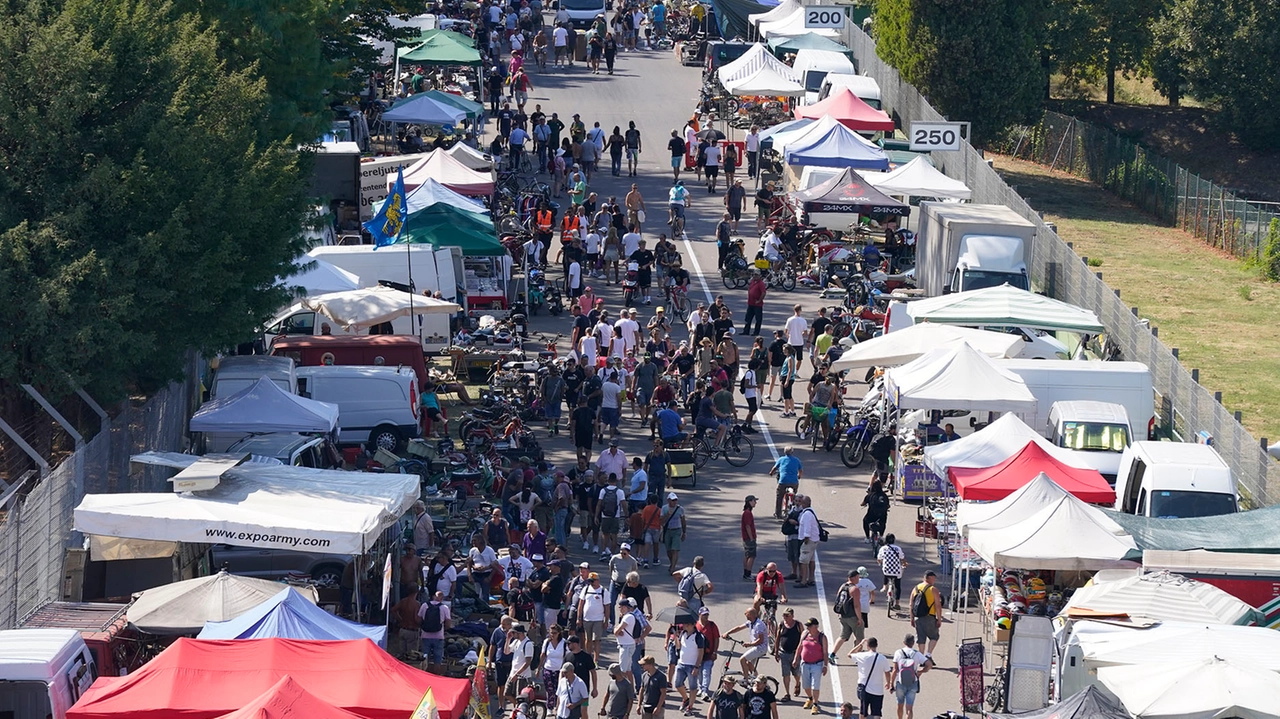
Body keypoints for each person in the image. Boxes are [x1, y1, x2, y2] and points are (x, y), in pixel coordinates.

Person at [888, 635, 932, 719]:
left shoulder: (898, 652)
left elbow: (894, 670)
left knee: (900, 705)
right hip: (913, 682)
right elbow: (929, 664)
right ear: (913, 643)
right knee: (909, 708)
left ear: (904, 642)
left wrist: (891, 684)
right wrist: (920, 672)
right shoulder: (917, 654)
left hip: (900, 682)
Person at [849, 638, 891, 719]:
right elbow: (887, 672)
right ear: (877, 645)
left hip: (865, 688)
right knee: (877, 713)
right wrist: (888, 683)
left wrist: (860, 644)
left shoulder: (862, 656)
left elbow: (849, 654)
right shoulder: (882, 658)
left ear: (867, 646)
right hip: (878, 691)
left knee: (863, 711)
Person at [831, 569, 867, 662]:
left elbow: (838, 600)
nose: (859, 579)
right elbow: (856, 605)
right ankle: (857, 658)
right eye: (858, 577)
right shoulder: (855, 589)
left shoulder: (843, 586)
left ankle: (832, 654)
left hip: (843, 616)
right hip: (853, 616)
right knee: (859, 638)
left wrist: (840, 612)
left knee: (843, 636)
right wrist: (860, 618)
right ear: (854, 577)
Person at [725, 607, 769, 677]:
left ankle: (746, 680)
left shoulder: (758, 625)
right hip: (756, 646)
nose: (745, 614)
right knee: (748, 663)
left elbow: (760, 640)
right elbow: (739, 627)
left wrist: (749, 644)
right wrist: (728, 633)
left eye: (746, 613)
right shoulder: (750, 622)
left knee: (742, 659)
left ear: (751, 614)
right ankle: (757, 679)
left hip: (761, 648)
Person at [674, 620, 706, 714]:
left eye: (684, 623)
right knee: (677, 684)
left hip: (692, 665)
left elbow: (701, 653)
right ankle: (686, 699)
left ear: (690, 625)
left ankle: (690, 706)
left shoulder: (698, 636)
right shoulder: (683, 633)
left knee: (692, 687)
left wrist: (696, 667)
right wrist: (676, 638)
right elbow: (679, 647)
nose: (682, 625)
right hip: (681, 663)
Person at [908, 572, 942, 659]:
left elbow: (911, 604)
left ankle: (921, 658)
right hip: (929, 616)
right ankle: (928, 655)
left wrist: (911, 617)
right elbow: (938, 605)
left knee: (921, 638)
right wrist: (939, 619)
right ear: (929, 578)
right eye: (933, 578)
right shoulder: (933, 589)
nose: (934, 580)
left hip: (917, 617)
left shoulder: (916, 588)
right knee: (934, 636)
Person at [576, 573, 608, 662]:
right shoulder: (586, 589)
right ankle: (588, 658)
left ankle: (596, 660)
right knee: (588, 639)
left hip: (598, 619)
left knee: (596, 640)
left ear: (598, 581)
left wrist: (606, 620)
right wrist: (579, 618)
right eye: (590, 581)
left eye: (592, 581)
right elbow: (581, 604)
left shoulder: (603, 591)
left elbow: (607, 607)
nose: (591, 583)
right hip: (587, 619)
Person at [418, 590, 452, 669]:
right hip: (439, 636)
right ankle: (436, 676)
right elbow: (448, 624)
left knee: (424, 658)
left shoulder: (424, 605)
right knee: (438, 659)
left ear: (433, 597)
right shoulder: (444, 607)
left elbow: (418, 619)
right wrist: (444, 629)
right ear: (442, 598)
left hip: (425, 635)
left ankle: (424, 676)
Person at [773, 608, 802, 702]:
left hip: (795, 653)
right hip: (784, 653)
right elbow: (777, 638)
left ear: (792, 616)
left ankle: (797, 683)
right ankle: (787, 694)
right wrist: (776, 652)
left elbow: (803, 638)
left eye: (787, 616)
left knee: (796, 673)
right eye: (784, 615)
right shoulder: (781, 625)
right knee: (786, 675)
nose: (785, 617)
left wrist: (801, 653)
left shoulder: (798, 625)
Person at [796, 496, 821, 588]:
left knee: (803, 561)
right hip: (814, 539)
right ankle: (811, 579)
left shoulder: (806, 514)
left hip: (809, 540)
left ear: (805, 503)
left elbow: (807, 527)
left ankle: (803, 581)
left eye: (802, 503)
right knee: (811, 560)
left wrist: (805, 538)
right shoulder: (811, 511)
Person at [770, 447, 802, 519]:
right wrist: (799, 476)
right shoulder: (797, 460)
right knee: (794, 495)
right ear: (792, 452)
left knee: (779, 496)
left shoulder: (781, 459)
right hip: (794, 482)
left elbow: (774, 468)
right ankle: (795, 509)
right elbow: (800, 470)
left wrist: (771, 473)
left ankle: (778, 514)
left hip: (783, 481)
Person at [877, 534, 907, 610]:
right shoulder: (897, 548)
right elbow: (902, 558)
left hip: (887, 570)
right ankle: (897, 603)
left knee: (886, 572)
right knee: (897, 586)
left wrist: (880, 562)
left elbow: (879, 559)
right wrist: (904, 563)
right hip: (896, 571)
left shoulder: (883, 548)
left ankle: (884, 586)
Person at [614, 599, 641, 684]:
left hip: (626, 646)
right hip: (627, 645)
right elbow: (618, 631)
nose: (620, 609)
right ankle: (631, 690)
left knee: (622, 670)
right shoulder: (627, 616)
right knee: (628, 670)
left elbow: (616, 631)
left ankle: (623, 690)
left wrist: (617, 630)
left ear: (625, 607)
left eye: (621, 607)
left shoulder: (628, 617)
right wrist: (618, 631)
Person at [660, 492, 687, 568]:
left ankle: (672, 567)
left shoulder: (680, 509)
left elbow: (683, 521)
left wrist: (684, 532)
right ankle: (672, 562)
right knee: (669, 550)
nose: (674, 502)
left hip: (677, 530)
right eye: (672, 500)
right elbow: (661, 521)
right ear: (668, 500)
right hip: (667, 530)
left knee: (675, 549)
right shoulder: (664, 508)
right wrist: (667, 515)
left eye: (675, 500)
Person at [741, 495, 758, 581]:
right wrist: (751, 537)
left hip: (746, 538)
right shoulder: (748, 513)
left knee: (747, 555)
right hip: (749, 538)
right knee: (751, 555)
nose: (755, 503)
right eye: (754, 501)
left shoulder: (746, 512)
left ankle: (746, 573)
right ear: (749, 502)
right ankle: (748, 573)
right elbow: (748, 526)